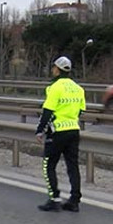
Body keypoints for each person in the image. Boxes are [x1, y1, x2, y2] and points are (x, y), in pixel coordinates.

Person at [35, 56, 85, 212]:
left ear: (57, 69)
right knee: (73, 166)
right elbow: (81, 110)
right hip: (73, 131)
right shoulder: (78, 88)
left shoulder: (54, 87)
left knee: (48, 165)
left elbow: (48, 111)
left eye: (53, 67)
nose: (52, 70)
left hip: (57, 132)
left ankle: (54, 198)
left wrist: (40, 130)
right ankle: (74, 200)